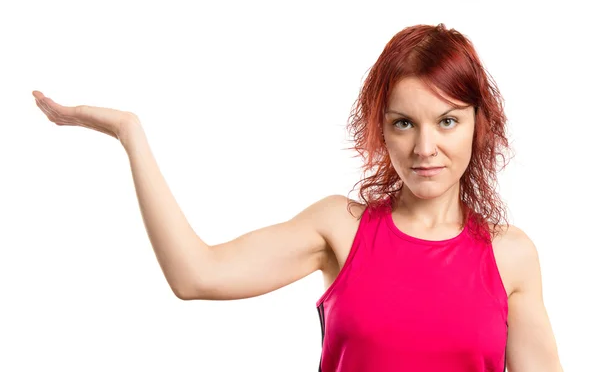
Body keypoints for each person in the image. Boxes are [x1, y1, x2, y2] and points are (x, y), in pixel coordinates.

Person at [32, 23, 563, 371]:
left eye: (447, 121)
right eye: (404, 123)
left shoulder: (511, 256)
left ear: (478, 124)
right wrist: (131, 134)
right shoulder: (340, 228)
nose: (425, 147)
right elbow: (196, 275)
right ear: (382, 130)